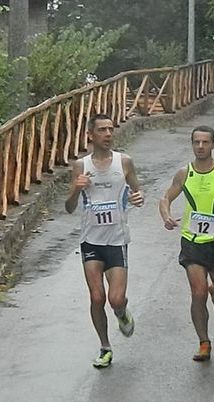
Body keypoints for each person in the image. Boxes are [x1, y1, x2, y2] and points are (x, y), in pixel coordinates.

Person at [159, 125, 214, 362]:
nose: (200, 146)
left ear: (213, 145)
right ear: (192, 145)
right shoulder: (183, 173)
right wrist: (166, 215)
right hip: (192, 242)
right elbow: (166, 197)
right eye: (196, 142)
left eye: (205, 142)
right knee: (197, 292)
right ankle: (204, 342)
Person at [65, 113, 144, 368]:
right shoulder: (81, 165)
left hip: (117, 240)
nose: (108, 134)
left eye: (111, 129)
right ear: (91, 135)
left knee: (116, 299)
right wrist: (77, 188)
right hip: (91, 241)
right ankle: (105, 346)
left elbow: (137, 191)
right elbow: (69, 208)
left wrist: (137, 198)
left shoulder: (125, 162)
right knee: (97, 297)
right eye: (102, 130)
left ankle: (122, 313)